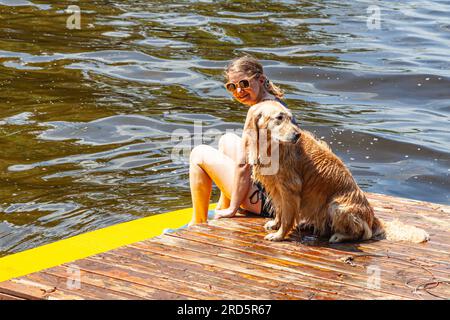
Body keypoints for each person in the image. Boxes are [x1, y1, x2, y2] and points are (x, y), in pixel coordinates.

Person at [188, 54, 286, 226]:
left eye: (244, 84)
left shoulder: (258, 112)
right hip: (275, 195)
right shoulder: (274, 104)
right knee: (227, 140)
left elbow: (243, 165)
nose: (238, 91)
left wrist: (233, 208)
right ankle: (221, 208)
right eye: (232, 86)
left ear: (261, 80)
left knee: (199, 153)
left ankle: (198, 223)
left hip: (267, 203)